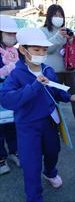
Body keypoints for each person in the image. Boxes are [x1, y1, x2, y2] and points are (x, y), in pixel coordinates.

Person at [0, 27, 75, 202]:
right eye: (36, 50)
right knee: (31, 164)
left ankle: (50, 172)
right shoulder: (16, 74)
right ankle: (34, 196)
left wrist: (69, 97)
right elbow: (7, 100)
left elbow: (55, 91)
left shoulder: (48, 70)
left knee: (53, 151)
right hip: (27, 127)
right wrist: (34, 86)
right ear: (23, 50)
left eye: (44, 50)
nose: (41, 53)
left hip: (50, 123)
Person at [40, 4, 75, 135]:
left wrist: (72, 38)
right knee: (52, 98)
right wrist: (58, 37)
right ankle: (53, 125)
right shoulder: (43, 31)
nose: (58, 18)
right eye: (55, 15)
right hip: (52, 71)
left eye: (60, 15)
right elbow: (47, 49)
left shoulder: (67, 30)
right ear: (49, 16)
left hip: (69, 70)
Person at [0, 15, 20, 175]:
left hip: (12, 94)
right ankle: (1, 158)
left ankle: (14, 151)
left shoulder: (15, 51)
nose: (12, 37)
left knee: (12, 124)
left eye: (14, 34)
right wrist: (3, 71)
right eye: (9, 34)